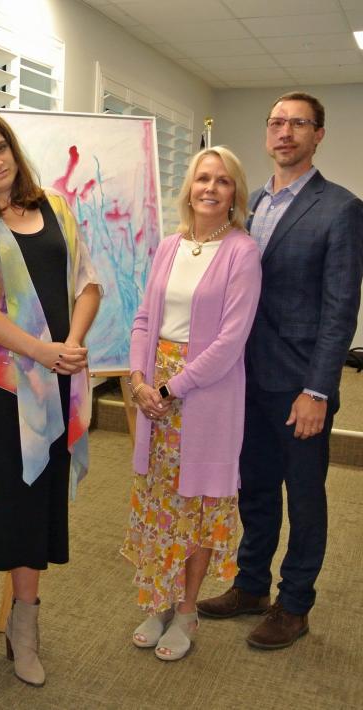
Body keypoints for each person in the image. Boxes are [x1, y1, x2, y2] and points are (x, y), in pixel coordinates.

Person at [0, 108, 101, 701]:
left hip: (54, 380)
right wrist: (40, 348)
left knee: (37, 509)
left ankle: (25, 632)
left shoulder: (55, 207)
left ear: (13, 147)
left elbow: (87, 282)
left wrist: (72, 344)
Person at [197, 92, 363, 649]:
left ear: (319, 135)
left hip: (299, 385)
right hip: (242, 380)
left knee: (305, 496)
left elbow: (341, 309)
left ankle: (295, 604)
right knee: (256, 489)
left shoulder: (340, 208)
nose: (285, 131)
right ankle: (251, 586)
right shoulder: (247, 206)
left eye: (298, 123)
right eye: (276, 122)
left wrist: (319, 389)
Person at [120, 146, 261, 661]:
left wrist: (166, 390)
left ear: (234, 195)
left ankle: (186, 611)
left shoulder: (243, 251)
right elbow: (143, 319)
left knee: (197, 506)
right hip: (152, 390)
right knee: (160, 505)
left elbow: (230, 341)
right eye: (203, 178)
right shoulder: (169, 246)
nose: (210, 188)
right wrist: (139, 379)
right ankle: (159, 601)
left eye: (223, 181)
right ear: (189, 189)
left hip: (205, 396)